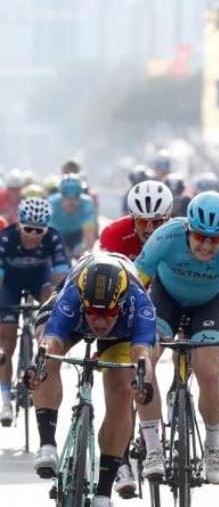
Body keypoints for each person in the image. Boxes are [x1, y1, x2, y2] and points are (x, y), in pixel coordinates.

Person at [27, 253, 162, 507]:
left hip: (122, 334)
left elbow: (142, 353)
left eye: (108, 313)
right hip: (73, 319)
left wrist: (143, 377)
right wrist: (40, 362)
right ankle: (47, 444)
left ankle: (103, 491)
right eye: (93, 312)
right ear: (83, 302)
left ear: (121, 304)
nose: (100, 321)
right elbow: (53, 339)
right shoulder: (73, 298)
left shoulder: (139, 304)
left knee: (123, 388)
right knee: (46, 353)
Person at [134, 191, 219, 484]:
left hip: (210, 304)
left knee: (209, 370)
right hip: (165, 299)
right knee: (143, 363)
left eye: (216, 238)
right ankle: (153, 447)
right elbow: (135, 289)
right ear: (188, 228)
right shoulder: (165, 236)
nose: (208, 245)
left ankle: (212, 445)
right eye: (201, 236)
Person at [99, 180, 173, 496]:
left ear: (168, 219)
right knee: (126, 377)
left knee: (158, 360)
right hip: (123, 307)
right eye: (143, 221)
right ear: (132, 218)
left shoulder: (177, 236)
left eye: (158, 222)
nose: (150, 228)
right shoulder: (115, 235)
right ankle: (123, 458)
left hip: (163, 301)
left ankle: (167, 408)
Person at [0, 198, 69, 425]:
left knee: (50, 295)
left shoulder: (53, 238)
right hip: (10, 283)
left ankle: (39, 353)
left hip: (40, 280)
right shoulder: (7, 237)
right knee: (6, 339)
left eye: (39, 230)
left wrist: (54, 309)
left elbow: (61, 277)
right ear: (20, 224)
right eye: (28, 229)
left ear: (47, 228)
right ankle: (6, 400)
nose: (33, 235)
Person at [48, 174, 97, 259]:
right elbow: (49, 234)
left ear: (80, 195)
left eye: (75, 197)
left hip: (77, 234)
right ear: (61, 195)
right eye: (67, 197)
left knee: (83, 256)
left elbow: (89, 235)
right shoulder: (52, 203)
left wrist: (86, 251)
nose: (71, 202)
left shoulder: (87, 203)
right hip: (58, 233)